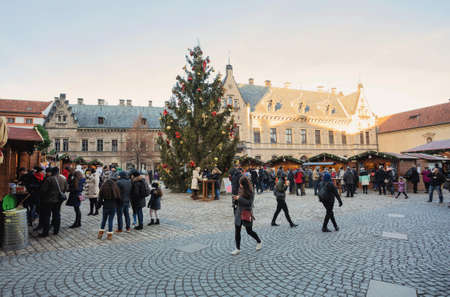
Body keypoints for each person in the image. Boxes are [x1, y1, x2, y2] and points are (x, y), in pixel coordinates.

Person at [231, 176, 262, 256]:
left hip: (246, 213)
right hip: (238, 213)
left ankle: (259, 241)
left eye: (241, 184)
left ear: (244, 184)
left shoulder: (251, 191)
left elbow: (249, 203)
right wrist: (235, 200)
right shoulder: (240, 189)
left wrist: (239, 198)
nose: (240, 185)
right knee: (237, 231)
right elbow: (239, 199)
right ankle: (237, 249)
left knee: (249, 231)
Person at [38, 167, 68, 237]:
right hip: (58, 200)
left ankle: (45, 232)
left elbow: (43, 190)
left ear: (52, 172)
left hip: (48, 200)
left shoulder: (49, 179)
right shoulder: (63, 179)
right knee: (57, 215)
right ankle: (56, 230)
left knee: (47, 216)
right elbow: (66, 189)